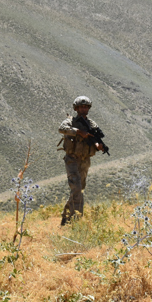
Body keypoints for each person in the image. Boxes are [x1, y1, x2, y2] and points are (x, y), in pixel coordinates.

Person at [58, 96, 104, 225]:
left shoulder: (92, 124)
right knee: (76, 188)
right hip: (72, 159)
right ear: (76, 108)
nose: (83, 109)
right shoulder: (70, 121)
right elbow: (61, 129)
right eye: (81, 107)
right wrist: (78, 131)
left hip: (85, 160)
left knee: (79, 189)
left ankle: (66, 217)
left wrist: (98, 145)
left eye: (86, 107)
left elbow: (96, 138)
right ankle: (75, 220)